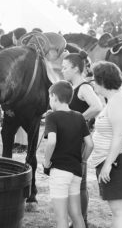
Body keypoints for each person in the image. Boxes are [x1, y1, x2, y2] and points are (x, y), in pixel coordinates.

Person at [91, 61, 122, 228]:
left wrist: (108, 164)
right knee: (118, 209)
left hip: (119, 161)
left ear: (102, 81)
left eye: (93, 78)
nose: (92, 82)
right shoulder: (117, 98)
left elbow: (119, 135)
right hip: (118, 160)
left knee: (119, 209)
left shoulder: (119, 100)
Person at [43, 80, 93, 228]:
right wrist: (82, 160)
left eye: (50, 98)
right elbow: (90, 144)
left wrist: (46, 163)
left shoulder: (52, 117)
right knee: (77, 215)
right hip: (76, 172)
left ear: (54, 96)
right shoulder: (79, 116)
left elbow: (51, 142)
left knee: (61, 218)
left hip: (59, 171)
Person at [62, 50, 102, 227]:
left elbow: (97, 106)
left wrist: (78, 119)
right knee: (73, 182)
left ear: (76, 69)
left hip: (79, 140)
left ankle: (82, 220)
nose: (62, 71)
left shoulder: (84, 87)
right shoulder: (72, 87)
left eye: (65, 68)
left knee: (80, 183)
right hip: (71, 140)